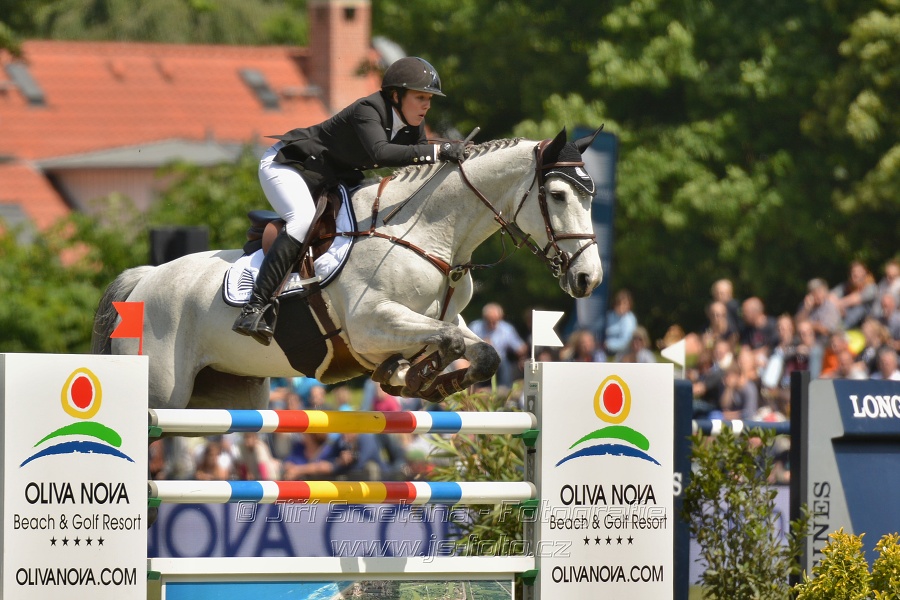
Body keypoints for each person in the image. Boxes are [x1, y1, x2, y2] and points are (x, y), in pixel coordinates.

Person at [234, 57, 466, 345]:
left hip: (334, 176)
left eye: (429, 99)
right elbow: (382, 153)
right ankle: (255, 306)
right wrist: (438, 151)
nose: (427, 105)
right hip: (291, 167)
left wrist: (453, 152)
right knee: (303, 219)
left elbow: (415, 159)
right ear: (396, 95)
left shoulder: (410, 125)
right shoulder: (368, 110)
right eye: (420, 97)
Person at [468, 302, 528, 390]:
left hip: (499, 361)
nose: (492, 324)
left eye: (495, 321)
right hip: (478, 359)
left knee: (504, 364)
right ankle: (474, 389)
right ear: (484, 318)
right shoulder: (475, 327)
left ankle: (505, 389)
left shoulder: (506, 329)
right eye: (489, 321)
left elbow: (519, 347)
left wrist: (522, 353)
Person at [830, 260, 879, 329]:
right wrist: (838, 307)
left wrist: (838, 305)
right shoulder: (846, 285)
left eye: (858, 271)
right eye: (853, 272)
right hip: (848, 316)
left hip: (869, 320)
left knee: (860, 308)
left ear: (865, 273)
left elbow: (855, 299)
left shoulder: (872, 288)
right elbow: (830, 296)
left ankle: (840, 329)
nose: (855, 274)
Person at [796, 278, 842, 343]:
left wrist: (810, 324)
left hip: (827, 342)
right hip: (805, 342)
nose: (818, 295)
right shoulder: (805, 306)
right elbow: (797, 325)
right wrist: (806, 309)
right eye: (814, 293)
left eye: (820, 292)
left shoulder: (830, 306)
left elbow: (827, 330)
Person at [604, 289, 638, 359]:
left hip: (624, 352)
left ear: (629, 305)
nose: (621, 307)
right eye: (619, 304)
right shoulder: (609, 316)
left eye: (624, 304)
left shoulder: (630, 319)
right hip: (605, 351)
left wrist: (607, 344)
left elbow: (626, 342)